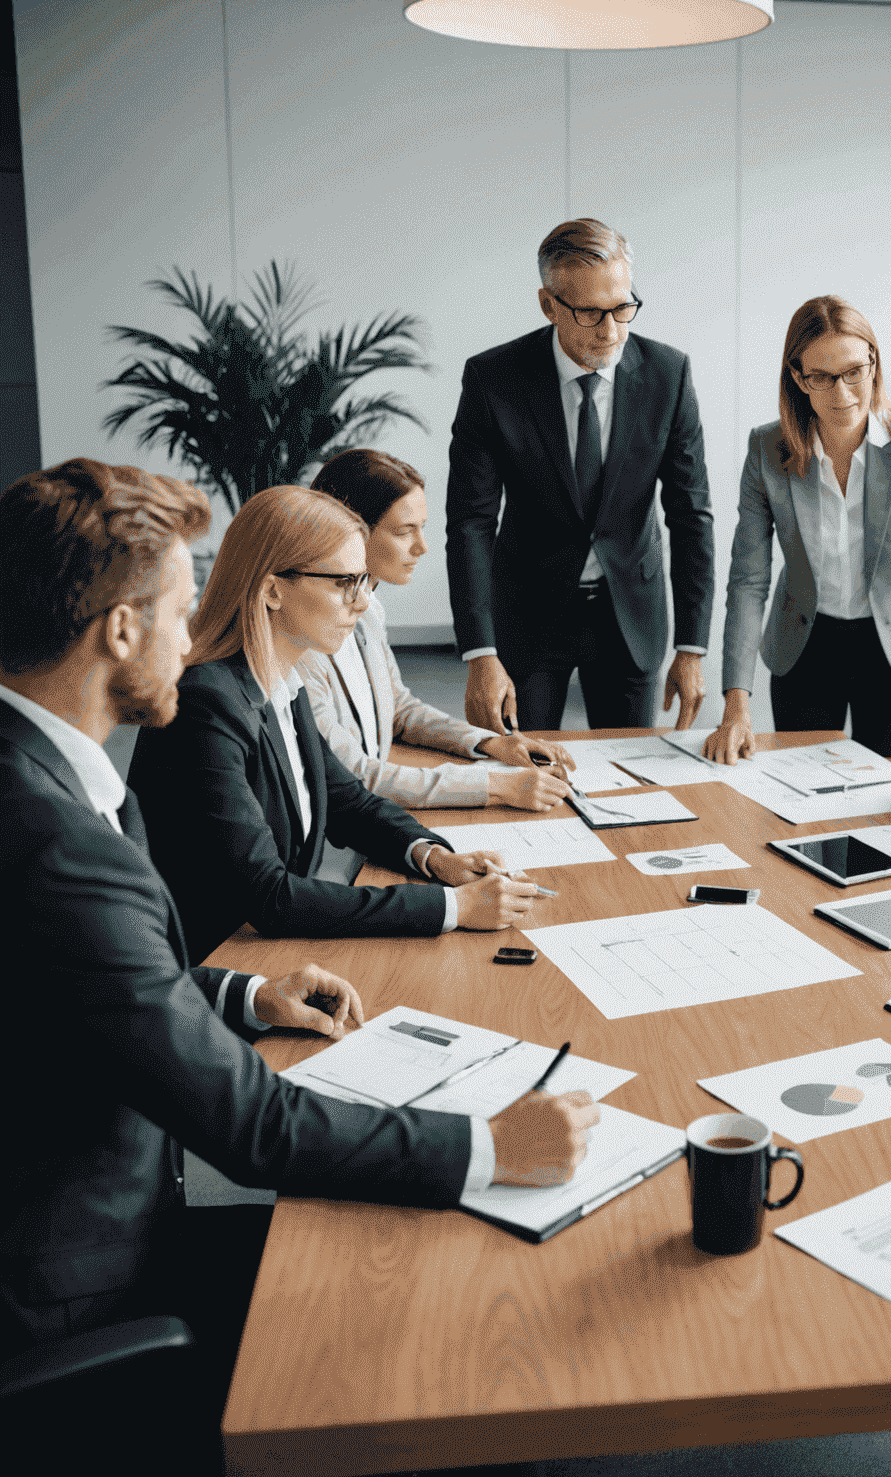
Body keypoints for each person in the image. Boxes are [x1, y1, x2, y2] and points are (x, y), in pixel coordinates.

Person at [0, 459, 598, 1468]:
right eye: (181, 612)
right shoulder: (61, 840)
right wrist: (491, 1148)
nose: (193, 640)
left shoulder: (46, 781)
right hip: (87, 1287)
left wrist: (238, 991)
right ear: (117, 631)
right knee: (452, 1345)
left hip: (99, 1212)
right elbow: (253, 1127)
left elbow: (96, 976)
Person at [128, 484, 539, 967]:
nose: (362, 602)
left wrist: (434, 857)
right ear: (273, 590)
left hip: (263, 952)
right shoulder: (205, 705)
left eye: (365, 581)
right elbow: (270, 897)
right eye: (345, 582)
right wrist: (454, 907)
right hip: (215, 969)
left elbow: (348, 800)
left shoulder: (282, 680)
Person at [445, 217, 714, 732]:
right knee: (524, 773)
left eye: (622, 307)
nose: (611, 331)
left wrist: (692, 647)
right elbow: (470, 522)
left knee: (635, 778)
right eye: (590, 313)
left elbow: (691, 514)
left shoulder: (668, 374)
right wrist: (479, 653)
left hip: (631, 611)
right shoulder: (493, 379)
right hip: (527, 612)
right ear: (549, 305)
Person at [703, 295, 891, 763]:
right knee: (800, 804)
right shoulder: (767, 449)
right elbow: (748, 581)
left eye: (853, 372)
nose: (842, 394)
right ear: (798, 377)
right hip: (804, 645)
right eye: (821, 378)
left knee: (882, 811)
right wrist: (736, 704)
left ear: (873, 364)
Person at [301, 446, 575, 809]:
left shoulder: (368, 610)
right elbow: (355, 775)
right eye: (403, 532)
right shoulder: (303, 640)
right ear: (351, 532)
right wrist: (495, 784)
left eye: (422, 529)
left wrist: (491, 743)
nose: (422, 547)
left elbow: (397, 708)